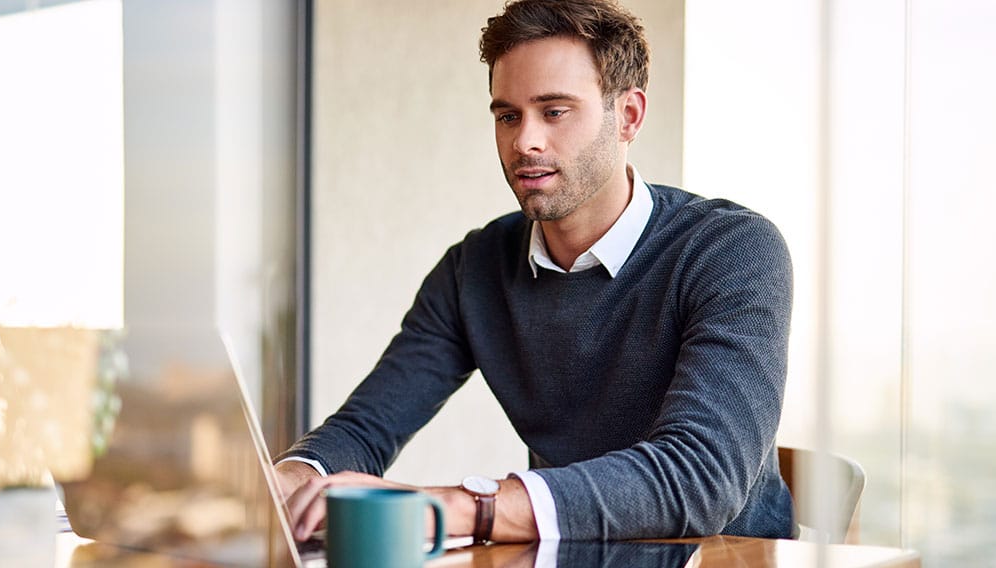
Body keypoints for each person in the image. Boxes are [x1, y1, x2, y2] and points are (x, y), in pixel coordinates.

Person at [275, 0, 795, 544]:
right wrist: (294, 478)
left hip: (725, 558)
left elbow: (699, 478)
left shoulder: (731, 251)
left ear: (629, 116)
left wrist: (466, 507)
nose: (525, 142)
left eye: (554, 111)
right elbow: (369, 424)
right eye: (507, 115)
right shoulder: (473, 270)